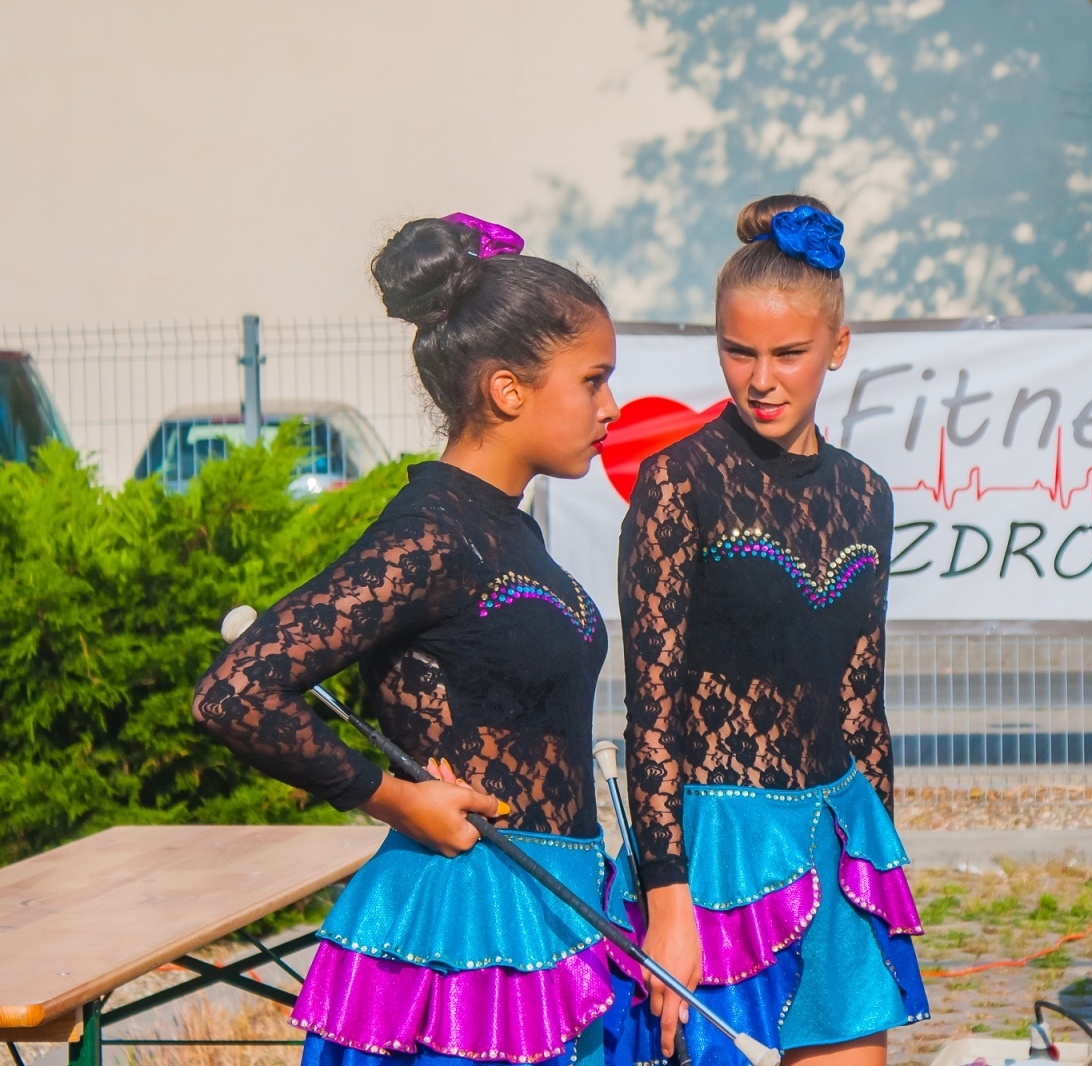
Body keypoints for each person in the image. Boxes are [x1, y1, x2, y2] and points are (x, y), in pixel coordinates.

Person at [193, 213, 654, 1066]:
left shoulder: (505, 529)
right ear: (510, 390)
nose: (610, 407)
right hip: (464, 935)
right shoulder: (434, 534)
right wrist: (394, 797)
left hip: (547, 907)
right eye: (593, 381)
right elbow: (235, 691)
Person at [619, 195, 928, 1066]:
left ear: (838, 346)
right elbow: (652, 714)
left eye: (789, 354)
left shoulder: (866, 494)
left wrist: (880, 872)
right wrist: (666, 896)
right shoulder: (679, 483)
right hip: (715, 857)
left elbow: (861, 704)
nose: (762, 379)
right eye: (737, 351)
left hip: (838, 845)